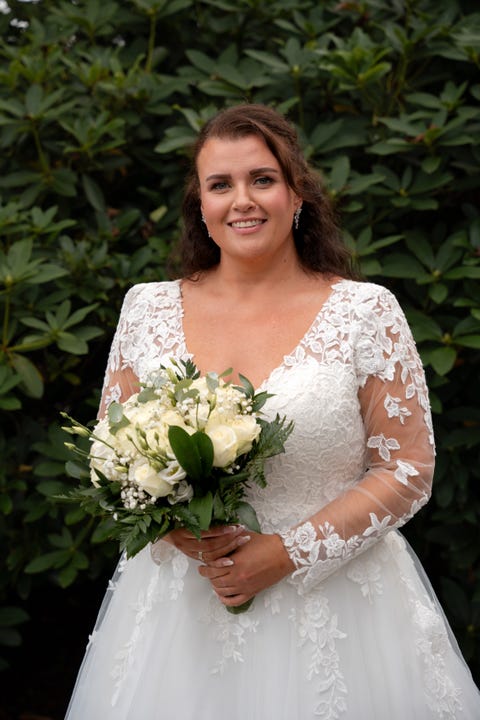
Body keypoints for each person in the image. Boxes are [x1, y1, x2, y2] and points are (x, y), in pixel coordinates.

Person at [65, 104, 480, 719]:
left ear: (297, 195)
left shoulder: (364, 312)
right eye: (220, 184)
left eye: (262, 179)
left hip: (339, 612)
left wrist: (287, 552)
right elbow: (111, 456)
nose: (243, 201)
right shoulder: (146, 309)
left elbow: (407, 468)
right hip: (181, 610)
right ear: (200, 206)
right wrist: (179, 533)